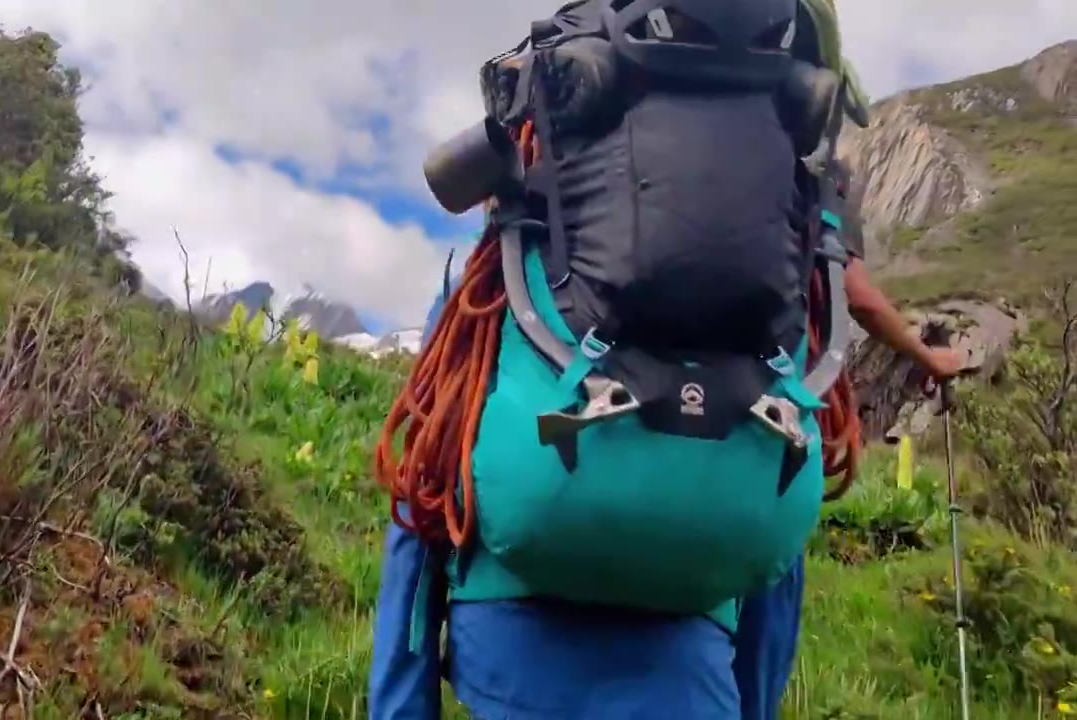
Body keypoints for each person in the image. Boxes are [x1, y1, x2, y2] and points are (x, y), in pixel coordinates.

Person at [368, 1, 936, 718]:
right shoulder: (783, 299)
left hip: (510, 658)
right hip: (693, 677)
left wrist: (399, 706)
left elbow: (420, 511)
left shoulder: (500, 290)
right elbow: (775, 558)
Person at [730, 165, 965, 720]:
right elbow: (856, 295)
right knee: (761, 608)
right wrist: (930, 356)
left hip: (644, 412)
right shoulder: (807, 168)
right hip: (766, 434)